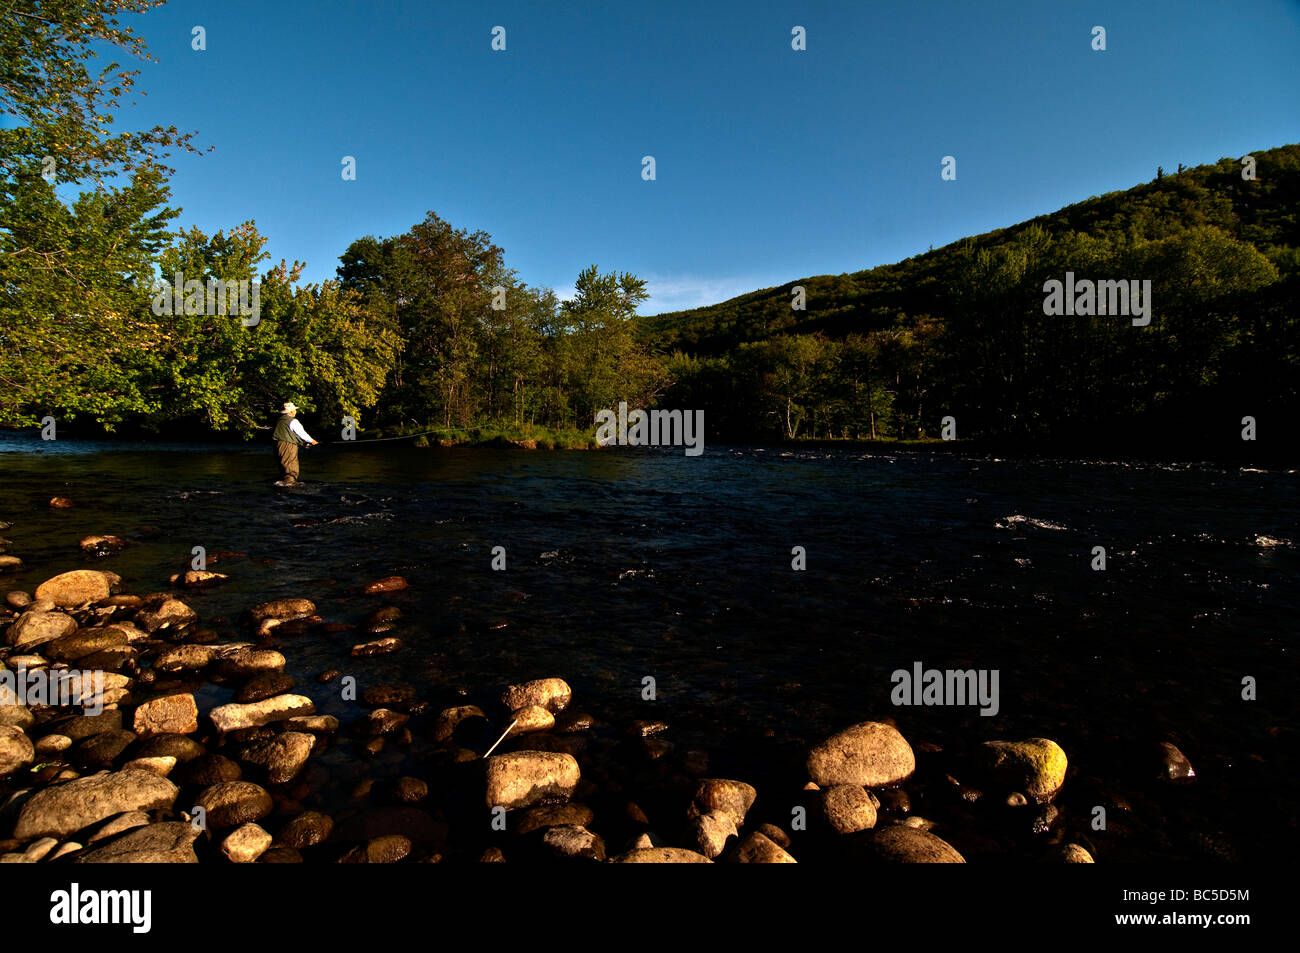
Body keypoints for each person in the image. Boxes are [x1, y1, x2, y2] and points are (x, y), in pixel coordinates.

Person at [272, 401, 318, 485]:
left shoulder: (280, 420)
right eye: (294, 410)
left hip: (278, 445)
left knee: (283, 465)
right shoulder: (293, 421)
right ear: (291, 411)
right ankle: (290, 487)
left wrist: (302, 443)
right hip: (288, 446)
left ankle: (283, 485)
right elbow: (302, 433)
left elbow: (289, 434)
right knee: (291, 466)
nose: (296, 411)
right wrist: (312, 441)